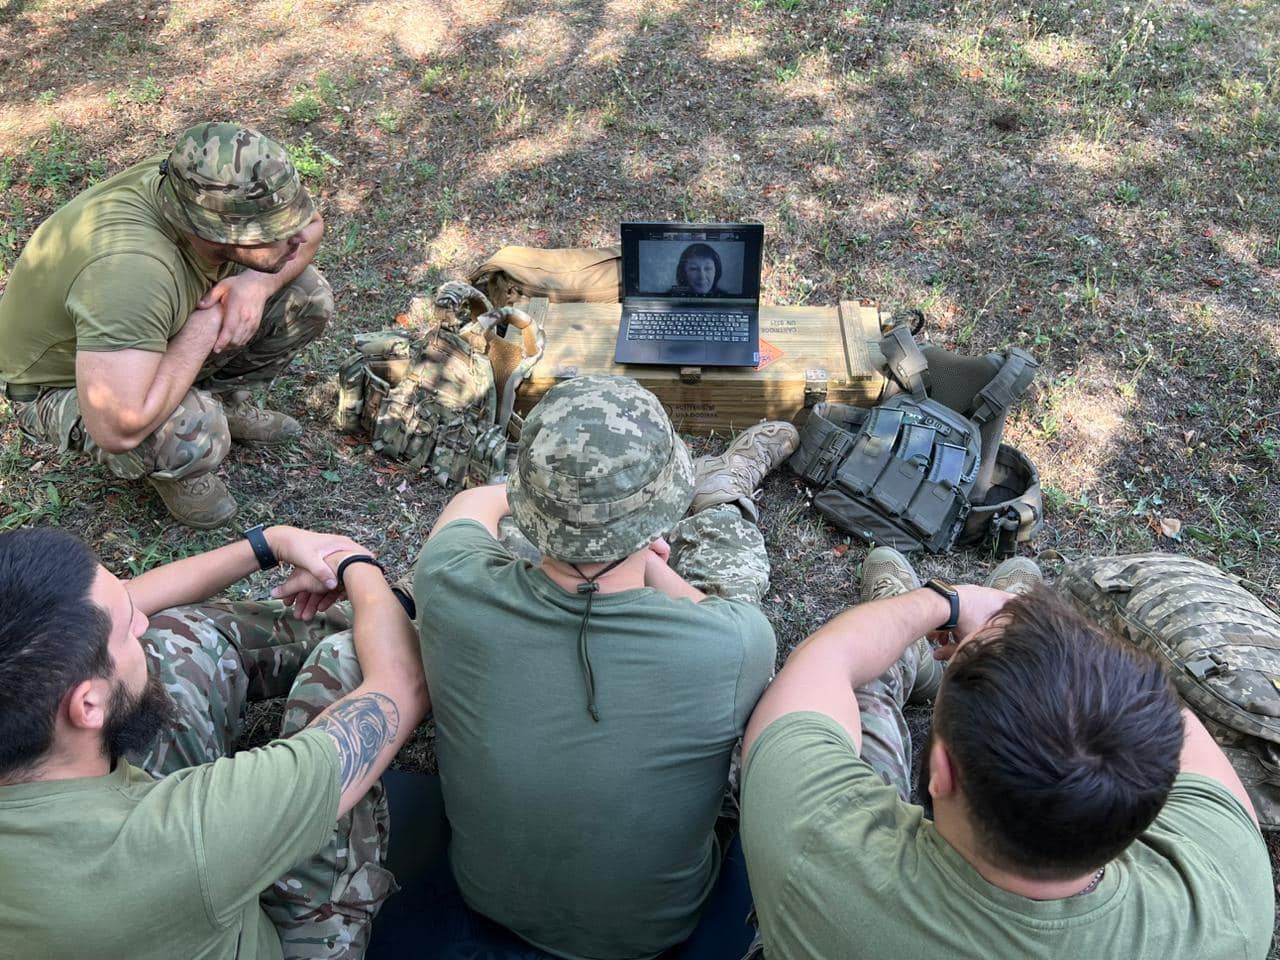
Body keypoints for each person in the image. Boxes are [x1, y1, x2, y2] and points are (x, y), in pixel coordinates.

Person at [414, 375, 796, 960]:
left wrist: (561, 510)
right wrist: (647, 560)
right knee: (730, 568)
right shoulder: (737, 645)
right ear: (661, 508)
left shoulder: (448, 582)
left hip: (486, 899)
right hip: (654, 934)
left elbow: (469, 507)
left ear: (526, 497)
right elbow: (714, 612)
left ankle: (694, 497)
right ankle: (722, 495)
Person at [739, 548, 1274, 959]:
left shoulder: (813, 853)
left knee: (859, 687)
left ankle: (905, 639)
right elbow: (1180, 730)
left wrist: (948, 603)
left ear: (942, 772)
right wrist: (1051, 648)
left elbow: (827, 659)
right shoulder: (1226, 906)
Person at [0, 522, 429, 959]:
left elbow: (125, 602)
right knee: (347, 663)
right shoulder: (181, 838)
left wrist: (272, 542)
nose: (140, 622)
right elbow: (401, 687)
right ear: (87, 706)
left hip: (154, 905)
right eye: (128, 629)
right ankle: (406, 620)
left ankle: (377, 619)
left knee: (173, 640)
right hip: (254, 926)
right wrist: (359, 567)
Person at [0, 121, 333, 529]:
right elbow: (116, 426)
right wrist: (205, 323)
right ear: (218, 233)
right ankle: (179, 467)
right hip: (62, 386)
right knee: (192, 424)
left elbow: (313, 226)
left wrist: (254, 284)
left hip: (143, 334)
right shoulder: (130, 273)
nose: (298, 234)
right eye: (277, 231)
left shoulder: (214, 182)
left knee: (306, 295)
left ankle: (227, 402)